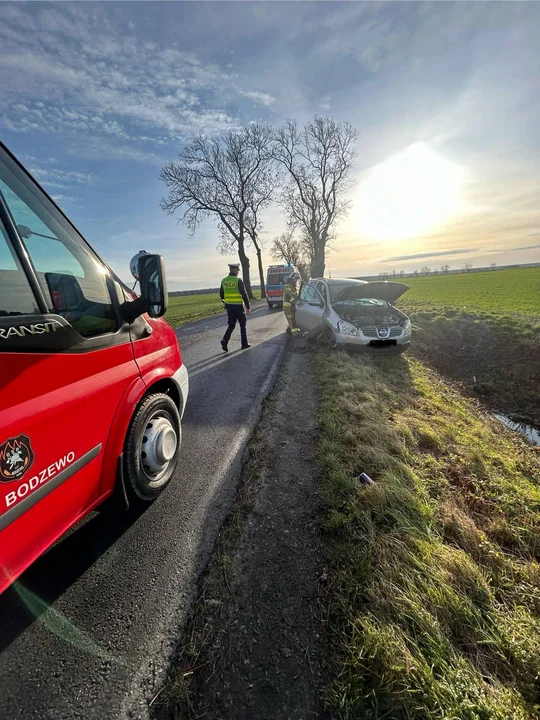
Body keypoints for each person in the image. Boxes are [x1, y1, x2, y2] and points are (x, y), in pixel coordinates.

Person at [220, 263, 252, 352]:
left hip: (229, 307)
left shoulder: (224, 281)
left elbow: (221, 295)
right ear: (234, 270)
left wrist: (226, 302)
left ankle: (224, 341)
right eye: (237, 270)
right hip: (238, 307)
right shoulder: (238, 280)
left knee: (231, 325)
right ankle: (244, 344)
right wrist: (248, 307)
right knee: (243, 325)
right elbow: (244, 294)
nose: (238, 272)